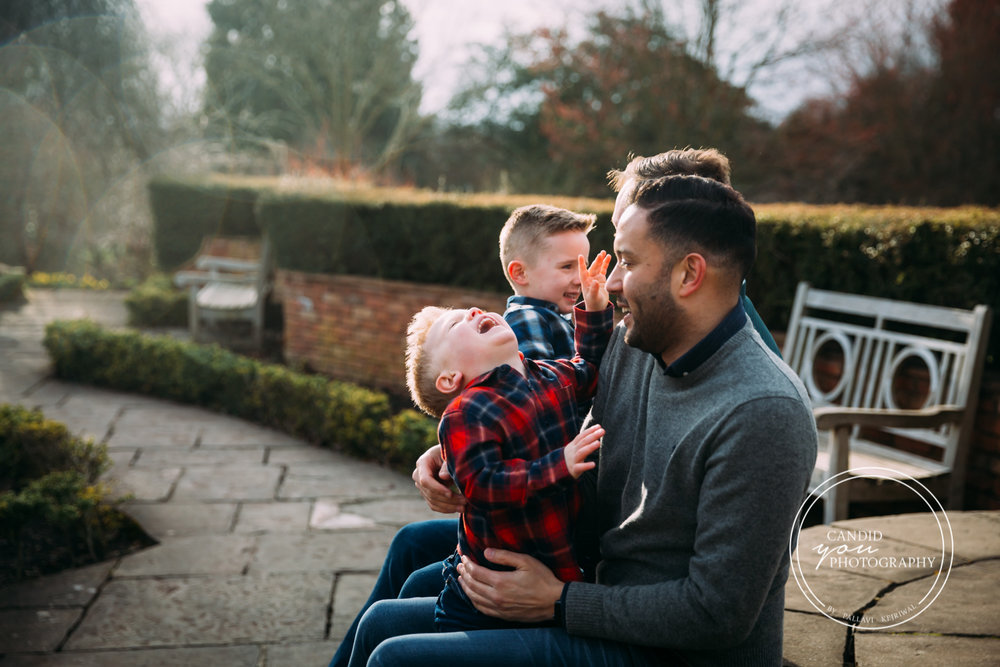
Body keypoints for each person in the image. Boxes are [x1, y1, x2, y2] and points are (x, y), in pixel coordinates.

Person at [327, 148, 784, 666]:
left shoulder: (761, 409)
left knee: (397, 658)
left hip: (660, 645)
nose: (604, 284)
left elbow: (716, 614)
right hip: (599, 567)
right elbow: (544, 410)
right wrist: (453, 450)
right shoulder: (639, 339)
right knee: (382, 622)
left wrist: (559, 600)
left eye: (625, 261)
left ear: (688, 274)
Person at [328, 204, 599, 667]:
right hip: (522, 533)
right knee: (408, 563)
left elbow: (569, 379)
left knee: (406, 596)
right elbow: (506, 430)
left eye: (619, 260)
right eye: (569, 265)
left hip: (547, 543)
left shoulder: (540, 363)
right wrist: (450, 447)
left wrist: (596, 313)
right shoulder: (526, 345)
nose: (593, 275)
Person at [608, 148, 781, 356]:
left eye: (629, 251)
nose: (611, 283)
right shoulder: (642, 326)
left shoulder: (753, 373)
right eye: (616, 234)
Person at [498, 204, 597, 361]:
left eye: (583, 266)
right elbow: (543, 383)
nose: (580, 280)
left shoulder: (552, 317)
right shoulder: (526, 317)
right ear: (520, 273)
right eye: (567, 266)